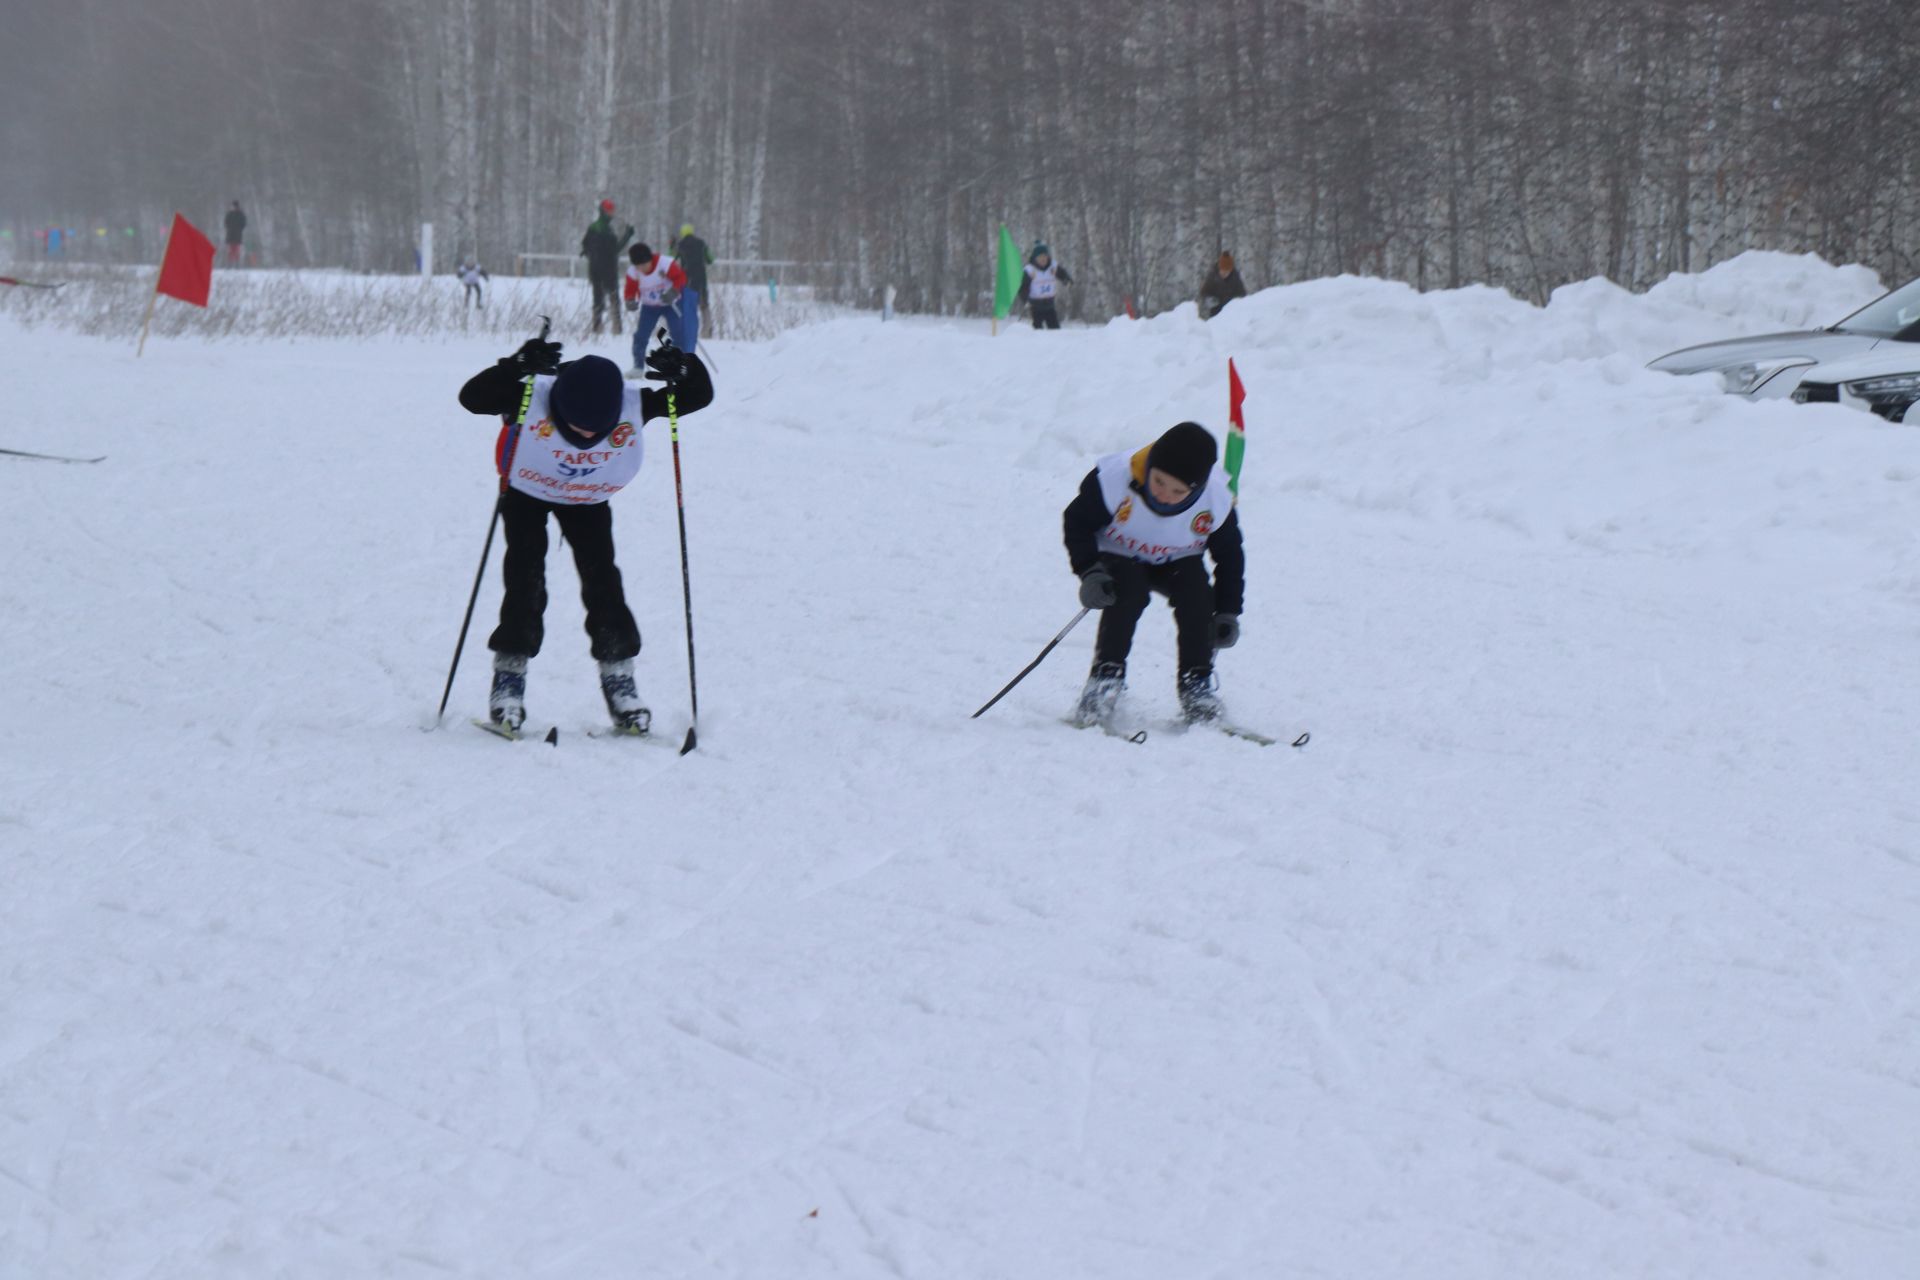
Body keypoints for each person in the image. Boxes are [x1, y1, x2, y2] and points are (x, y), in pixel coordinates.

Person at [457, 333, 714, 734]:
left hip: (586, 499)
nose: (587, 436)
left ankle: (620, 681)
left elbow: (696, 396)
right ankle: (509, 679)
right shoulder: (533, 395)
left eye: (597, 429)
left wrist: (684, 368)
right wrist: (515, 367)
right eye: (575, 426)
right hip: (528, 490)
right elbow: (472, 398)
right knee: (524, 580)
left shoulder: (632, 403)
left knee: (604, 584)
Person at [1061, 421, 1245, 726]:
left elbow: (1230, 556)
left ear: (1196, 489)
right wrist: (1090, 572)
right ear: (1150, 466)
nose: (1164, 495)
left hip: (1176, 558)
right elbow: (1077, 522)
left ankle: (1196, 685)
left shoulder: (1216, 499)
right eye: (1158, 481)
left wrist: (1227, 612)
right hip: (1118, 554)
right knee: (1128, 591)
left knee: (1197, 596)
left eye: (1178, 491)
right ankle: (1105, 681)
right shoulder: (1114, 479)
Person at [623, 243, 689, 374]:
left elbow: (681, 277)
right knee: (641, 335)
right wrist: (630, 300)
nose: (641, 269)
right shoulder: (633, 272)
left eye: (644, 265)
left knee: (678, 333)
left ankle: (681, 365)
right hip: (649, 307)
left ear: (650, 260)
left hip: (671, 304)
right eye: (638, 266)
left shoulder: (664, 264)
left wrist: (674, 291)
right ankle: (638, 366)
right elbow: (630, 288)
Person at [580, 199, 635, 336]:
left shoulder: (592, 228)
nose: (612, 213)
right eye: (610, 211)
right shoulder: (608, 232)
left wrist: (590, 255)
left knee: (598, 300)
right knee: (614, 300)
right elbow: (615, 249)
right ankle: (617, 330)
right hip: (609, 271)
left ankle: (597, 328)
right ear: (604, 212)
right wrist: (628, 235)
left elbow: (585, 246)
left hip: (595, 270)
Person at [668, 222, 714, 352]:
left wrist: (671, 245)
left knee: (688, 307)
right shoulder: (701, 244)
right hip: (701, 278)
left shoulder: (680, 245)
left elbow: (670, 258)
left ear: (682, 233)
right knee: (704, 304)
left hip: (687, 279)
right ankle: (707, 330)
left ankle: (688, 332)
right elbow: (711, 259)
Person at [1015, 243, 1073, 329]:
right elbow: (1023, 287)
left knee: (1055, 329)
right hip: (1035, 305)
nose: (1043, 259)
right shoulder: (1029, 270)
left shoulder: (1053, 266)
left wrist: (1067, 281)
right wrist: (1025, 300)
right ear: (1035, 258)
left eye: (1045, 256)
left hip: (1049, 304)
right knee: (1037, 330)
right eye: (1040, 257)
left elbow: (1062, 274)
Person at [1199, 251, 1247, 320]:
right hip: (1216, 313)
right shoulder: (1213, 276)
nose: (1224, 274)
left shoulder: (1235, 278)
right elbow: (1204, 292)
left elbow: (1242, 294)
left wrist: (1235, 302)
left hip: (1232, 313)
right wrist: (1209, 299)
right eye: (1222, 271)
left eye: (1227, 272)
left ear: (1230, 271)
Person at [223, 202, 247, 267]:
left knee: (237, 249)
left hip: (237, 234)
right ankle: (230, 263)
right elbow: (226, 223)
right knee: (230, 249)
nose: (234, 208)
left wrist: (239, 228)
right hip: (230, 233)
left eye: (235, 206)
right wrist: (229, 228)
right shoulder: (229, 214)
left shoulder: (241, 214)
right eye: (233, 206)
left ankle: (237, 263)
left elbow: (244, 223)